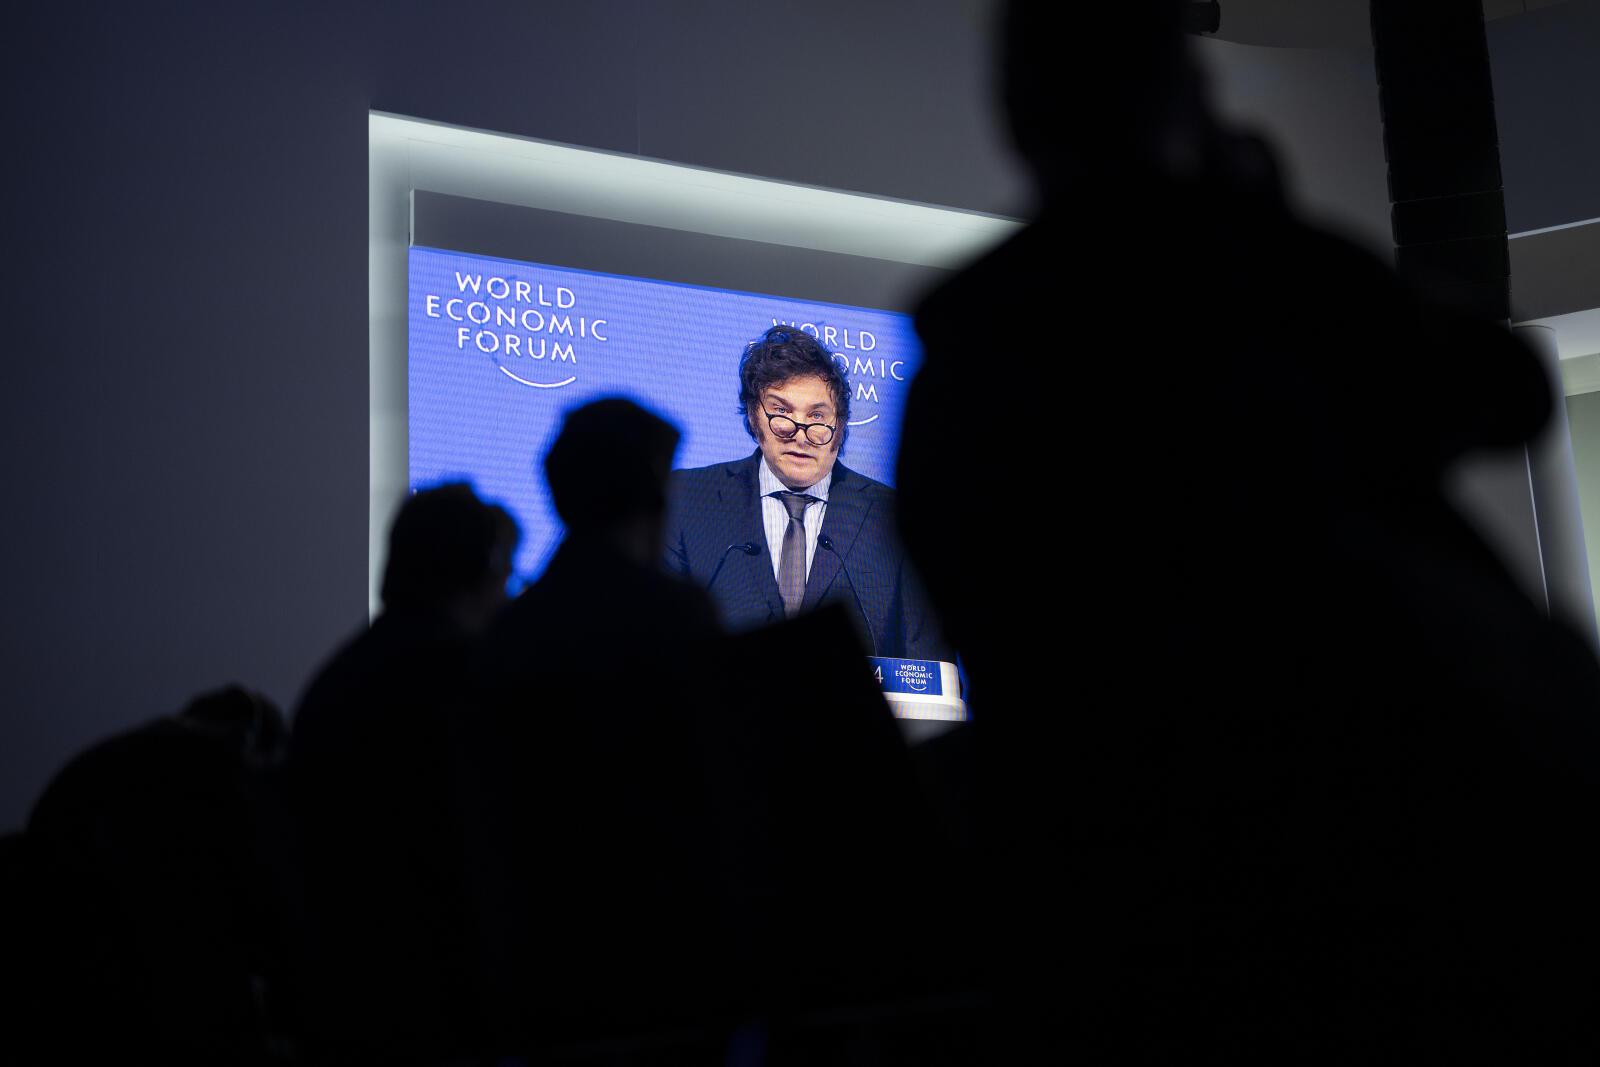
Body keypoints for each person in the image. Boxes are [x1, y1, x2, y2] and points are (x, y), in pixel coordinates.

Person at [898, 0, 1600, 1062]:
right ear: (1181, 96)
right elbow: (1501, 394)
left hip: (1100, 897)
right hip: (1381, 843)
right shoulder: (1254, 270)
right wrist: (1264, 218)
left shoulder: (959, 363)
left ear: (1017, 119)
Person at [287, 482, 519, 1065]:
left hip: (343, 996)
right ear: (481, 572)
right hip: (445, 1003)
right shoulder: (470, 681)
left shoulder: (338, 679)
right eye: (504, 574)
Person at [664, 324, 950, 662]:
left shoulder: (894, 515)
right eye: (782, 412)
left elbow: (932, 668)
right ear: (756, 416)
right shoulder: (687, 497)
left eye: (817, 416)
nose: (800, 435)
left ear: (840, 426)